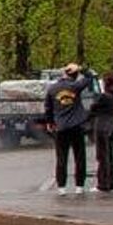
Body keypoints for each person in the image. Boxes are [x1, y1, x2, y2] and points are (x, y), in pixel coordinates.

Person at [43, 62, 94, 196]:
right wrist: (81, 68)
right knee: (79, 157)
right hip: (76, 126)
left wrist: (50, 122)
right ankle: (79, 186)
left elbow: (48, 108)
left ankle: (62, 187)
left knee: (61, 158)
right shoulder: (75, 86)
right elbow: (89, 77)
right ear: (75, 75)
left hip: (60, 127)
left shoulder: (52, 89)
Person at [89, 72, 113, 192]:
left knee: (102, 156)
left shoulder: (104, 97)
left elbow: (93, 109)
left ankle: (103, 184)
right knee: (110, 156)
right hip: (112, 126)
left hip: (102, 127)